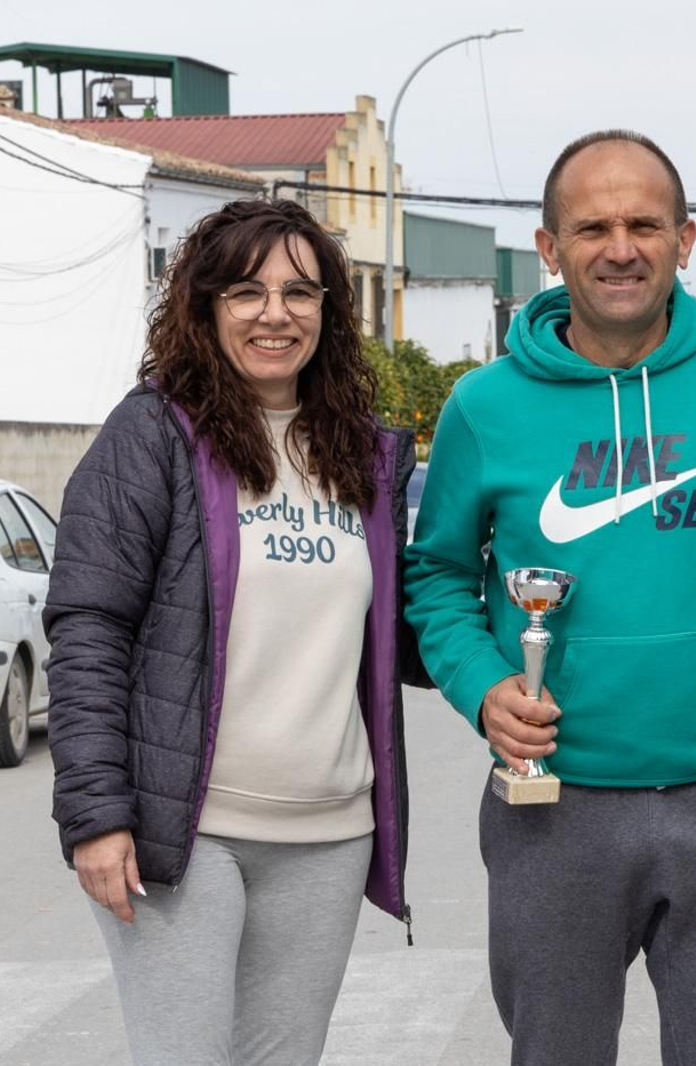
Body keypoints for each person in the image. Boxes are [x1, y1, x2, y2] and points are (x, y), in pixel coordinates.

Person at [404, 129, 696, 1066]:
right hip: (554, 803)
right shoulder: (484, 406)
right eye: (593, 226)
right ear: (549, 248)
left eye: (645, 223)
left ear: (685, 241)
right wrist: (484, 685)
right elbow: (436, 575)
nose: (621, 247)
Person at [45, 198, 417, 1066]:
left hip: (328, 836)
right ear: (205, 305)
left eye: (300, 292)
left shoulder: (363, 458)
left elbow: (398, 637)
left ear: (329, 311)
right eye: (247, 291)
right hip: (185, 834)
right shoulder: (152, 437)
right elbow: (89, 630)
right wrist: (97, 819)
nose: (275, 313)